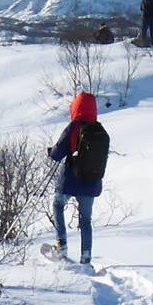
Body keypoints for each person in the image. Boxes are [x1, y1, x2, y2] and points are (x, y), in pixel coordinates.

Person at [47, 91, 109, 264]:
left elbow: (58, 153)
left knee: (58, 205)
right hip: (91, 181)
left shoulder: (74, 126)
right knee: (86, 219)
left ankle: (62, 245)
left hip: (71, 179)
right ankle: (86, 256)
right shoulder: (99, 130)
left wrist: (51, 152)